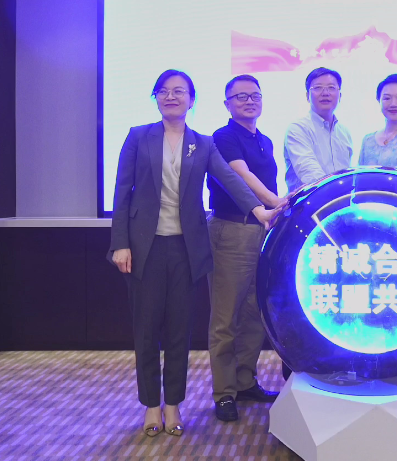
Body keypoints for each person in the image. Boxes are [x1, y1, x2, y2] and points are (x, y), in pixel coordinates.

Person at [108, 69, 278, 437]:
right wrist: (120, 243)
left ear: (191, 100)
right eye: (164, 91)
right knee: (146, 330)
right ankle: (151, 405)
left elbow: (229, 179)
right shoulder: (138, 136)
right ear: (156, 98)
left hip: (185, 248)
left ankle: (173, 404)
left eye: (179, 91)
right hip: (144, 247)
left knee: (178, 331)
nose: (171, 96)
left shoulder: (202, 143)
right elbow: (122, 192)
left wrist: (259, 209)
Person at [207, 75, 285, 422]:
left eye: (255, 95)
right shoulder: (223, 137)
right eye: (240, 96)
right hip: (232, 231)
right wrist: (275, 202)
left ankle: (244, 381)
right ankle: (224, 393)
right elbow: (242, 176)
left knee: (255, 312)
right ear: (227, 104)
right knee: (226, 317)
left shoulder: (264, 140)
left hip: (261, 231)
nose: (249, 101)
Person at [284, 67, 354, 193]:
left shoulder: (345, 133)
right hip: (308, 202)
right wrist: (336, 192)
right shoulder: (298, 129)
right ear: (307, 96)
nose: (325, 93)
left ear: (340, 95)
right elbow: (309, 172)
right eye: (318, 88)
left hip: (340, 202)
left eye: (331, 88)